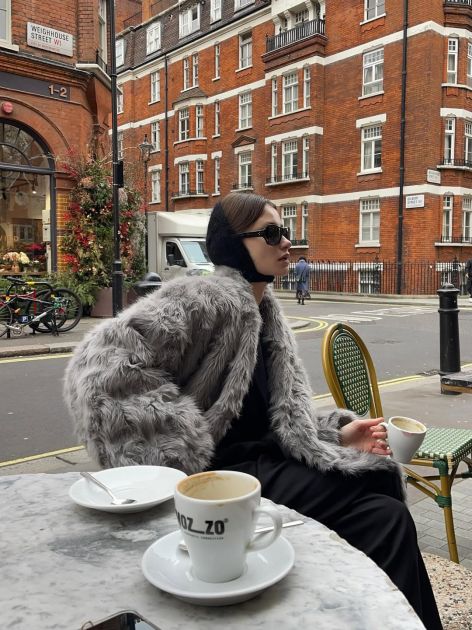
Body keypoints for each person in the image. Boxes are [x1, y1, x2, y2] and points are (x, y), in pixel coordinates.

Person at [64, 193, 442, 630]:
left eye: (285, 231)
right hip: (224, 473)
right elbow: (98, 365)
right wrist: (176, 447)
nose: (286, 242)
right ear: (232, 243)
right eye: (271, 233)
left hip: (265, 464)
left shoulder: (265, 309)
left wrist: (336, 435)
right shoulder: (205, 296)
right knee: (375, 486)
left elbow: (273, 418)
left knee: (384, 517)